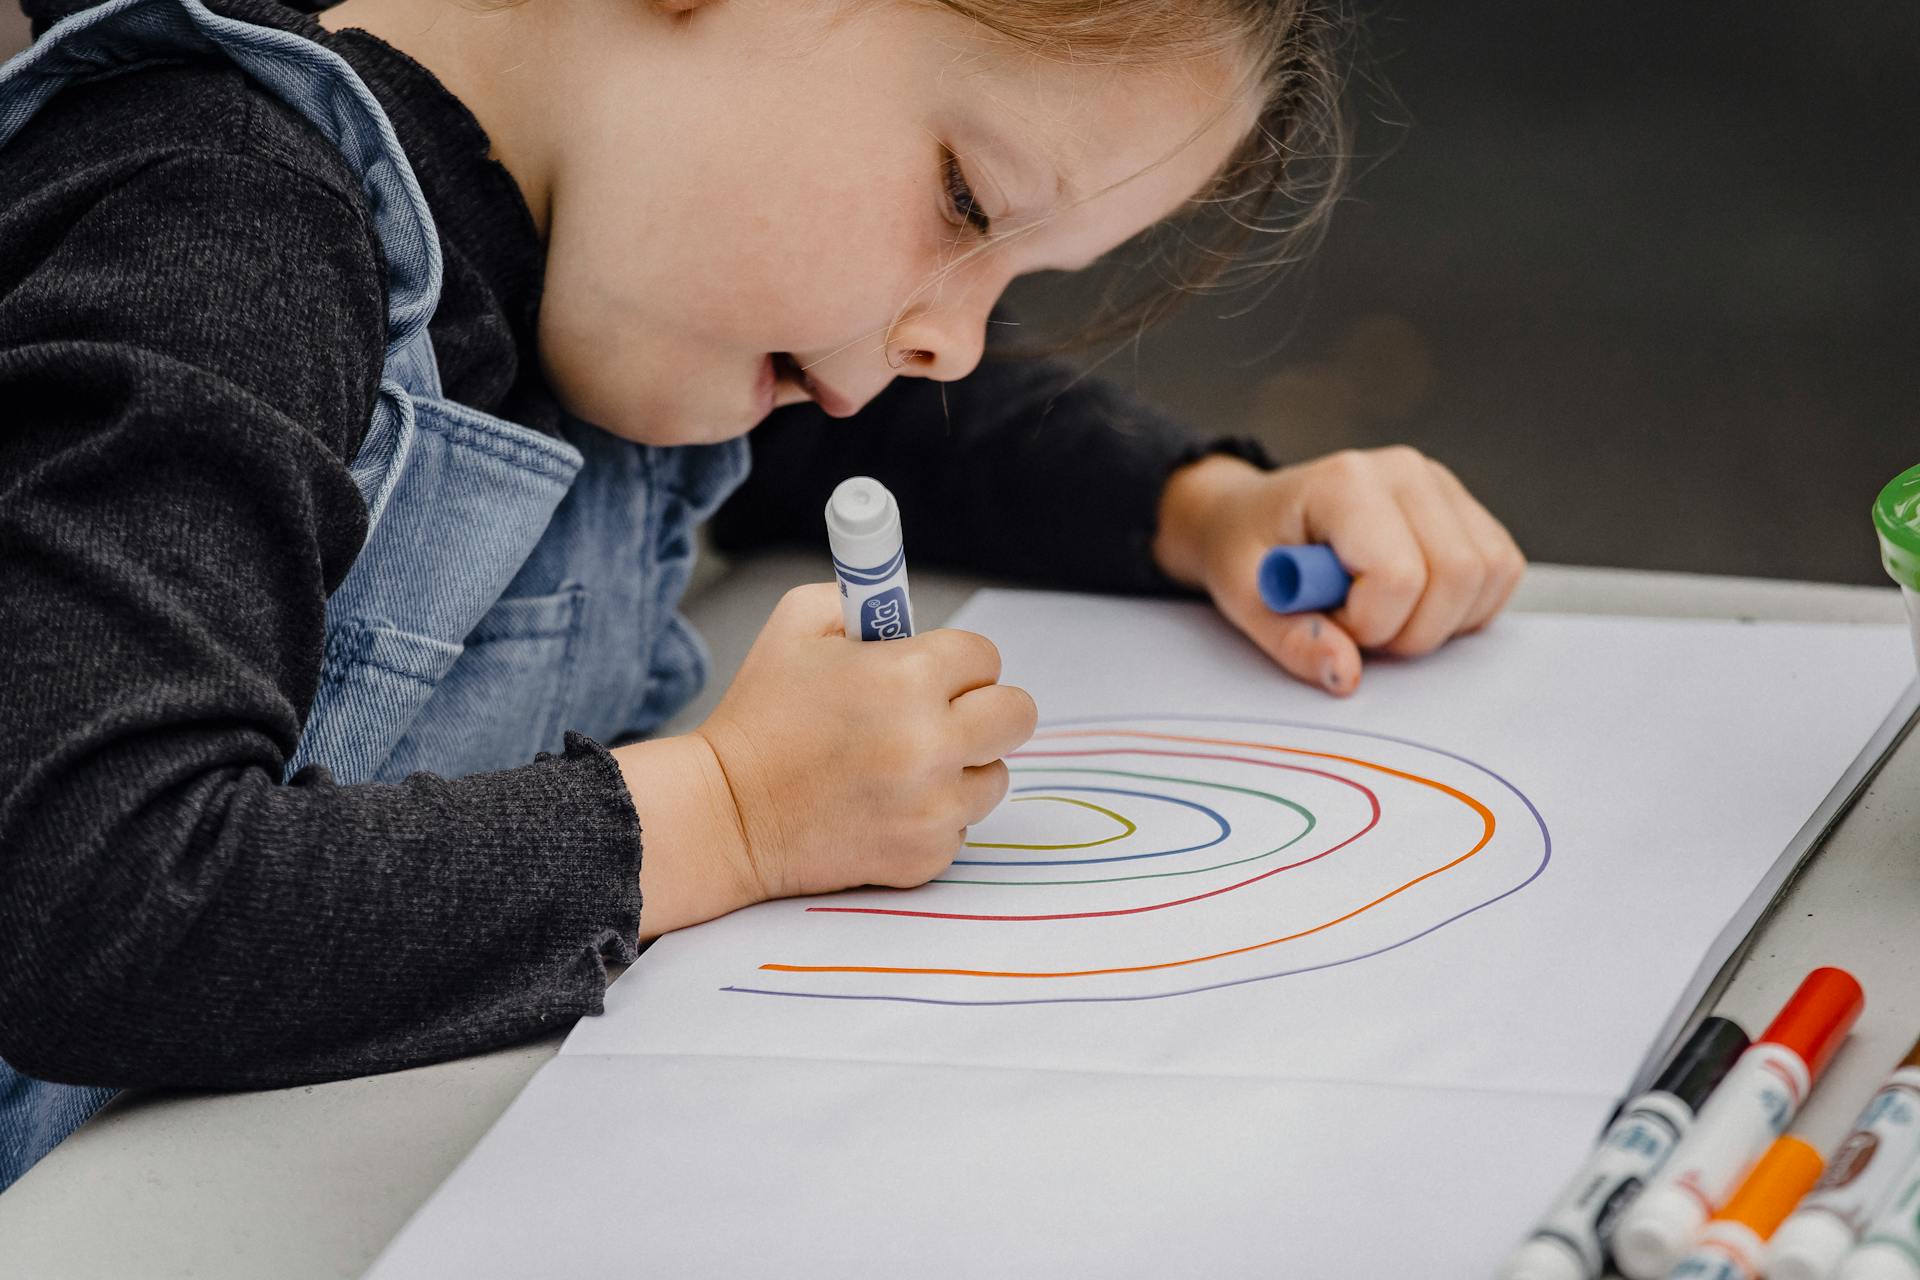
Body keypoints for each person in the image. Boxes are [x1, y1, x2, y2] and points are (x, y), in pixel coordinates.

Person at [0, 0, 1525, 1188]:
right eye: (967, 204)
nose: (955, 347)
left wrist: (1205, 509)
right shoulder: (220, 231)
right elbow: (89, 894)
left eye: (1017, 286)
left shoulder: (606, 255)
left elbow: (875, 440)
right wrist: (731, 815)